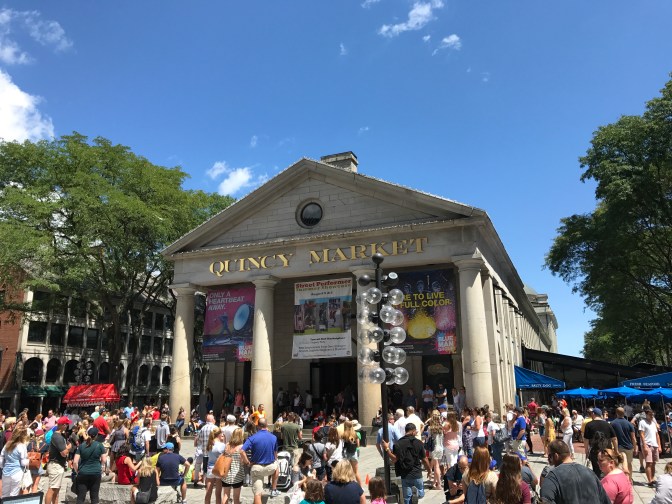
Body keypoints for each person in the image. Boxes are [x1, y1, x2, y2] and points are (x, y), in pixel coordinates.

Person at [540, 439, 610, 504]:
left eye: (549, 456)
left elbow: (545, 500)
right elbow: (605, 500)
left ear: (556, 456)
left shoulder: (553, 477)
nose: (548, 459)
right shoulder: (590, 473)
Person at [382, 423, 426, 504]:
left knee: (407, 499)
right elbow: (424, 459)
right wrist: (429, 469)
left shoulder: (398, 444)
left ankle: (413, 495)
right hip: (417, 473)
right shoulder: (419, 443)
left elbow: (394, 459)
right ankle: (416, 493)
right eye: (415, 431)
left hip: (405, 474)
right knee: (421, 494)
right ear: (413, 431)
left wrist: (387, 449)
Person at [240, 417, 279, 504]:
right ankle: (274, 488)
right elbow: (275, 454)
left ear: (258, 426)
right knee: (277, 466)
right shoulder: (273, 437)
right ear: (266, 425)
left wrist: (247, 462)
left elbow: (242, 451)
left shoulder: (252, 438)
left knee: (257, 494)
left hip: (256, 467)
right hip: (270, 467)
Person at [73, 426, 107, 504]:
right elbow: (104, 460)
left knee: (81, 497)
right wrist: (100, 466)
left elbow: (75, 462)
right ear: (96, 435)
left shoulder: (82, 446)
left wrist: (77, 470)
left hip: (83, 472)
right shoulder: (100, 445)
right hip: (96, 472)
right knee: (94, 496)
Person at [45, 416, 73, 504]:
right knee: (52, 488)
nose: (67, 426)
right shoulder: (57, 437)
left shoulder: (61, 436)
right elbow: (64, 453)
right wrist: (69, 448)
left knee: (56, 489)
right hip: (55, 465)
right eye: (66, 424)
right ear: (62, 425)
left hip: (58, 465)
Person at [584, 407, 618, 477]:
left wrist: (586, 451)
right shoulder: (608, 424)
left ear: (593, 414)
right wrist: (616, 450)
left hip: (595, 450)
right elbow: (614, 438)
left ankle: (598, 484)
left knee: (596, 470)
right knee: (608, 469)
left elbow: (586, 440)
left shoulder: (589, 425)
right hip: (607, 450)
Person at [0, 427, 29, 497]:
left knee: (4, 494)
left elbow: (1, 458)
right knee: (13, 495)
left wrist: (2, 466)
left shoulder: (7, 445)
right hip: (17, 472)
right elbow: (23, 463)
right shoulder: (22, 446)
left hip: (6, 472)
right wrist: (28, 460)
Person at [611, 407, 637, 481]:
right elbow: (633, 438)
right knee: (629, 463)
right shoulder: (629, 424)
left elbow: (612, 437)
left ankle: (620, 480)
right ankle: (629, 479)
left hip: (618, 447)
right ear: (624, 413)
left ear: (616, 413)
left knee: (618, 464)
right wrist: (635, 448)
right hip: (629, 447)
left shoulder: (613, 423)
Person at [220, 428, 245, 504]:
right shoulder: (241, 447)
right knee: (236, 498)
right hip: (237, 474)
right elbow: (242, 461)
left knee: (226, 495)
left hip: (226, 474)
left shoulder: (227, 445)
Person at [639, 407, 662, 486]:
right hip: (647, 444)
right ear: (646, 414)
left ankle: (652, 478)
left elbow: (657, 435)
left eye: (652, 415)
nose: (652, 416)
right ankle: (649, 481)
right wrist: (644, 446)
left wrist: (659, 446)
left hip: (654, 444)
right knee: (649, 462)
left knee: (654, 463)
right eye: (650, 415)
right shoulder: (642, 422)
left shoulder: (653, 423)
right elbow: (641, 434)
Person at [193, 413, 217, 487]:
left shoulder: (203, 428)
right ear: (212, 420)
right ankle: (213, 482)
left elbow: (199, 440)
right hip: (213, 452)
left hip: (205, 452)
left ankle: (205, 483)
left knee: (205, 468)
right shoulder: (215, 428)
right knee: (213, 466)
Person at [205, 427, 226, 504]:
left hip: (210, 468)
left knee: (208, 492)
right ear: (219, 434)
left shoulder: (209, 444)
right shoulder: (222, 445)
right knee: (218, 493)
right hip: (218, 468)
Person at [425, 410, 444, 489]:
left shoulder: (430, 428)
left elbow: (428, 438)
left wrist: (427, 421)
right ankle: (434, 483)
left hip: (434, 448)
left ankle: (438, 484)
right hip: (441, 448)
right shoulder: (441, 428)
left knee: (436, 467)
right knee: (437, 466)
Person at [341, 420, 361, 486]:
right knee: (356, 472)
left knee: (346, 471)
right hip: (354, 453)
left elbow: (342, 445)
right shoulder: (355, 434)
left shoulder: (344, 435)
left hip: (346, 454)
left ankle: (348, 486)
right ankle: (360, 487)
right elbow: (358, 445)